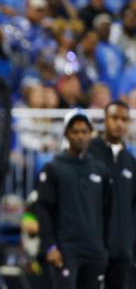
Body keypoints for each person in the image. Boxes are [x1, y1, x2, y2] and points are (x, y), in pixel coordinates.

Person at [36, 109, 110, 289]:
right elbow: (43, 209)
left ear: (91, 134)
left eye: (84, 131)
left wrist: (103, 247)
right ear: (66, 133)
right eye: (75, 131)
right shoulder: (53, 167)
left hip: (94, 251)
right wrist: (50, 247)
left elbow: (107, 209)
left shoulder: (99, 170)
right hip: (65, 250)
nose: (80, 136)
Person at [87, 100, 136, 289]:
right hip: (92, 250)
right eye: (114, 118)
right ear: (104, 120)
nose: (119, 123)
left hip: (122, 252)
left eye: (124, 119)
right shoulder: (88, 153)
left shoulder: (130, 162)